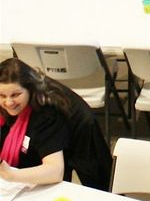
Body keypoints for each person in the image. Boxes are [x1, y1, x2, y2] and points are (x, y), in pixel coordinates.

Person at [0, 58, 97, 186]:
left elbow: (55, 171)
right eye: (2, 96)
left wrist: (10, 175)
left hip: (41, 182)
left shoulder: (46, 114)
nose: (8, 102)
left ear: (30, 89)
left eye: (15, 95)